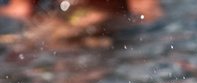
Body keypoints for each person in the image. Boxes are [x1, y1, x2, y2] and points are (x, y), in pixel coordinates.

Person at [1, 0, 162, 45]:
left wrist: (106, 19)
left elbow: (150, 14)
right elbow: (20, 12)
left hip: (113, 40)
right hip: (59, 40)